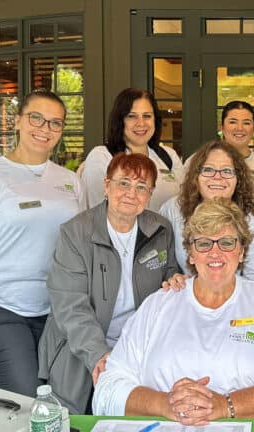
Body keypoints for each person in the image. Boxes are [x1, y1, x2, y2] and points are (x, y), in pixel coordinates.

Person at [92, 199, 254, 423]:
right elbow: (107, 391)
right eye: (203, 243)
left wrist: (225, 405)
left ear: (242, 251)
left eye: (227, 243)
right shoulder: (157, 306)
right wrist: (165, 404)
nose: (215, 253)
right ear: (191, 253)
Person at [0, 89, 86, 397]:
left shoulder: (70, 181)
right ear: (18, 122)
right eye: (36, 118)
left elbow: (84, 245)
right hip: (3, 309)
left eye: (55, 123)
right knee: (29, 399)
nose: (45, 129)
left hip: (56, 311)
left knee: (67, 399)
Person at [39, 153, 179, 413]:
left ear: (150, 194)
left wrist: (174, 279)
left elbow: (169, 273)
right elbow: (70, 305)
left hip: (138, 347)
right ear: (106, 185)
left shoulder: (160, 228)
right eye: (123, 183)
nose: (131, 193)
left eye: (141, 187)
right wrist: (99, 355)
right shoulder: (76, 232)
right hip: (81, 347)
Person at [160, 140, 254, 286]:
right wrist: (174, 276)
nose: (217, 177)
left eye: (227, 171)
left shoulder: (253, 223)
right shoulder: (172, 210)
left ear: (238, 179)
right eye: (208, 169)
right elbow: (163, 264)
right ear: (196, 176)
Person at [82, 88, 184, 211]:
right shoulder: (102, 156)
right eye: (131, 116)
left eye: (147, 116)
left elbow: (184, 202)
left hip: (166, 230)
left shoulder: (169, 156)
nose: (141, 123)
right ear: (120, 121)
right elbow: (97, 210)